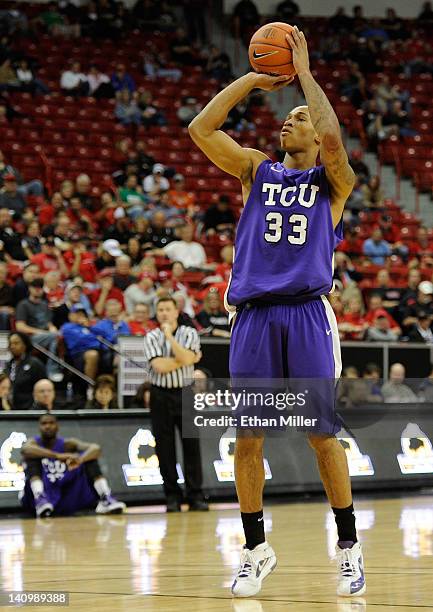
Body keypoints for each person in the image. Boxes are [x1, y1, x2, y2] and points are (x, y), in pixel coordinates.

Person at [189, 26, 365, 598]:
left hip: (307, 315)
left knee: (321, 434)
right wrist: (257, 77)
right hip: (255, 316)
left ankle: (347, 546)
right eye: (285, 115)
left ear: (316, 134)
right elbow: (201, 129)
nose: (288, 120)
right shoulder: (256, 171)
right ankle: (255, 549)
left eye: (300, 117)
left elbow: (336, 142)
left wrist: (306, 74)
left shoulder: (332, 183)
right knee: (248, 438)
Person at [142, 297, 207, 512]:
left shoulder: (190, 332)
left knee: (192, 445)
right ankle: (172, 495)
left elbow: (189, 360)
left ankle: (195, 495)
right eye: (160, 309)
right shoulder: (150, 336)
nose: (163, 313)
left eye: (167, 309)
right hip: (160, 394)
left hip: (185, 392)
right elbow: (160, 366)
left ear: (176, 312)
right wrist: (183, 358)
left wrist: (170, 338)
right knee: (164, 447)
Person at [20, 413, 126, 517]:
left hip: (65, 494)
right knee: (31, 457)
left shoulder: (68, 444)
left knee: (90, 458)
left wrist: (80, 460)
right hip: (39, 497)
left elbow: (95, 448)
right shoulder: (34, 443)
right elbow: (25, 449)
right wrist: (58, 456)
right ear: (39, 427)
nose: (47, 426)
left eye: (51, 423)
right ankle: (39, 497)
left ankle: (105, 497)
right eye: (44, 423)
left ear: (57, 426)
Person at [15, 278, 63, 382]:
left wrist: (53, 329)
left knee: (58, 336)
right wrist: (42, 332)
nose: (37, 290)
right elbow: (20, 327)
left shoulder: (44, 304)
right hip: (29, 338)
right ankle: (52, 370)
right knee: (53, 337)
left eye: (40, 287)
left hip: (46, 336)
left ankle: (60, 370)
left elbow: (48, 323)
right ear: (29, 289)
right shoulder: (23, 304)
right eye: (35, 287)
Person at [5, 332, 46, 410]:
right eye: (10, 343)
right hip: (11, 410)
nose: (12, 346)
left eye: (16, 343)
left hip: (30, 410)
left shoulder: (35, 364)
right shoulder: (8, 365)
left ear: (25, 345)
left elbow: (43, 386)